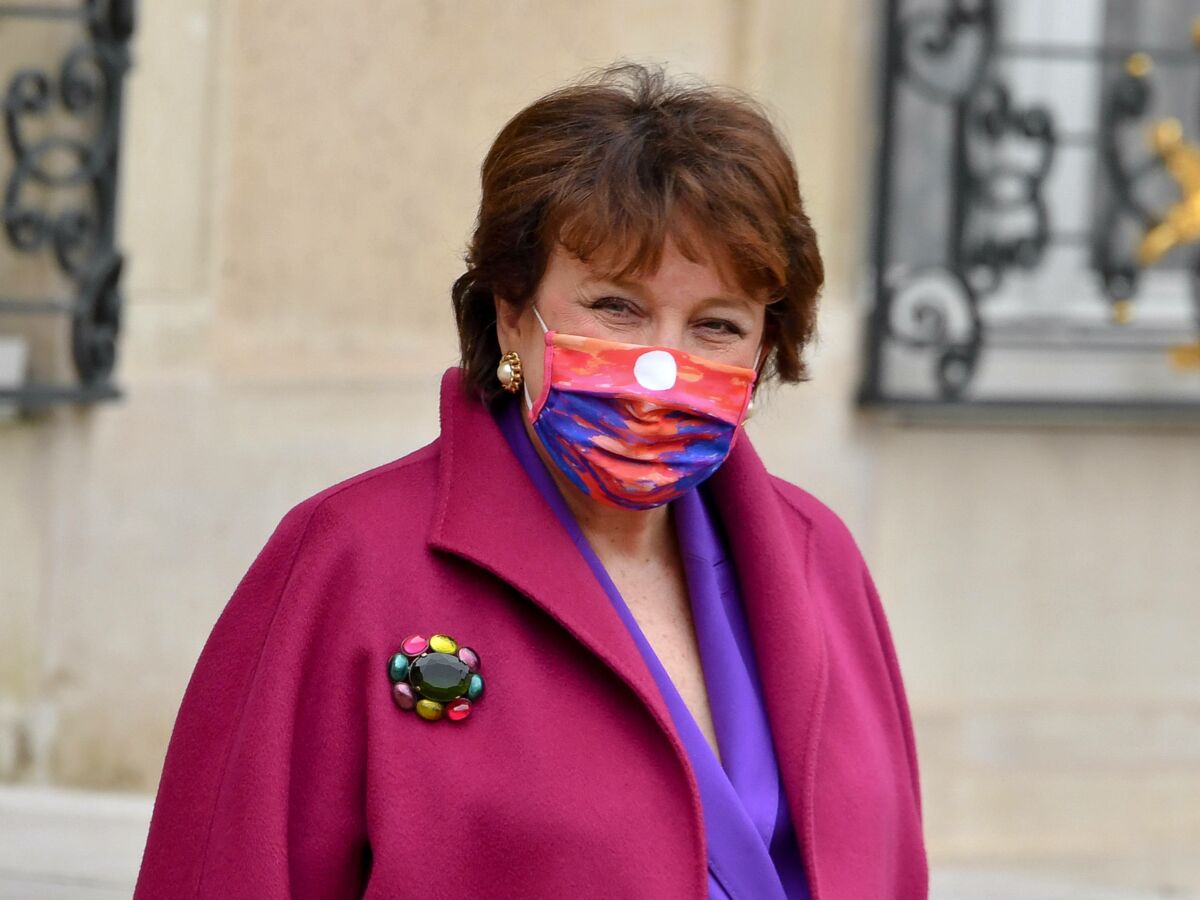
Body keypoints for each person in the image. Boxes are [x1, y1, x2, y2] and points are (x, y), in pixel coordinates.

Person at [134, 62, 927, 899]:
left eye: (716, 325)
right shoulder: (348, 560)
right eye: (617, 306)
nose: (662, 365)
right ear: (513, 314)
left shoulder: (819, 562)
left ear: (765, 348)